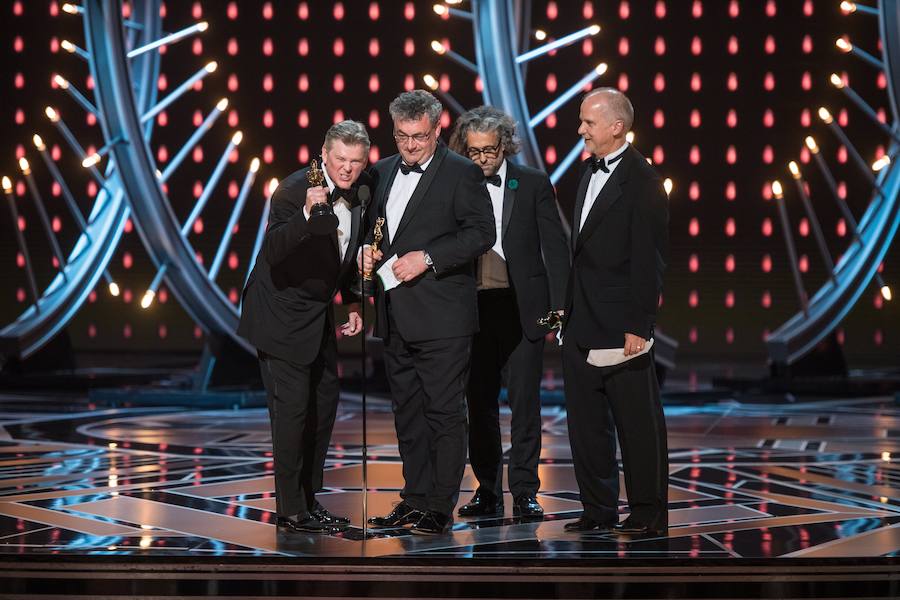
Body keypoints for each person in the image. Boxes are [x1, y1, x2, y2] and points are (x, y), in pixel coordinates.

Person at [362, 90, 495, 535]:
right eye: (402, 136)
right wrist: (366, 253)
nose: (411, 145)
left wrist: (429, 257)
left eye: (419, 137)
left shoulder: (461, 173)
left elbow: (482, 232)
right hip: (395, 315)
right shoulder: (380, 171)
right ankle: (414, 497)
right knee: (408, 413)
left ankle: (440, 504)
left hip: (443, 318)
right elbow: (375, 232)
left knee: (443, 411)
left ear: (437, 130)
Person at [238, 120, 371, 534]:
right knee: (292, 414)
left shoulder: (362, 193)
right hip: (280, 317)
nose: (347, 169)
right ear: (324, 155)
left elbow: (346, 254)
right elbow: (274, 251)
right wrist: (305, 216)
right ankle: (291, 510)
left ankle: (310, 501)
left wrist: (350, 302)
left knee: (323, 409)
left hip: (317, 317)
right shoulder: (294, 188)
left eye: (356, 161)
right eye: (340, 160)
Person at [447, 106, 570, 519]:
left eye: (490, 150)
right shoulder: (454, 184)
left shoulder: (532, 183)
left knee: (524, 404)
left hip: (523, 307)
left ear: (506, 145)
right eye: (475, 151)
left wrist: (558, 310)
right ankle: (487, 489)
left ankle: (524, 490)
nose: (483, 159)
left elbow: (554, 247)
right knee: (478, 404)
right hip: (473, 308)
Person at [562, 88, 669, 535]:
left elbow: (649, 260)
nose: (581, 129)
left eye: (588, 122)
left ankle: (647, 514)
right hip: (581, 322)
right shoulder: (587, 172)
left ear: (616, 127)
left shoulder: (643, 180)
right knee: (587, 429)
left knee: (637, 427)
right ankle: (597, 510)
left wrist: (639, 326)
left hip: (621, 327)